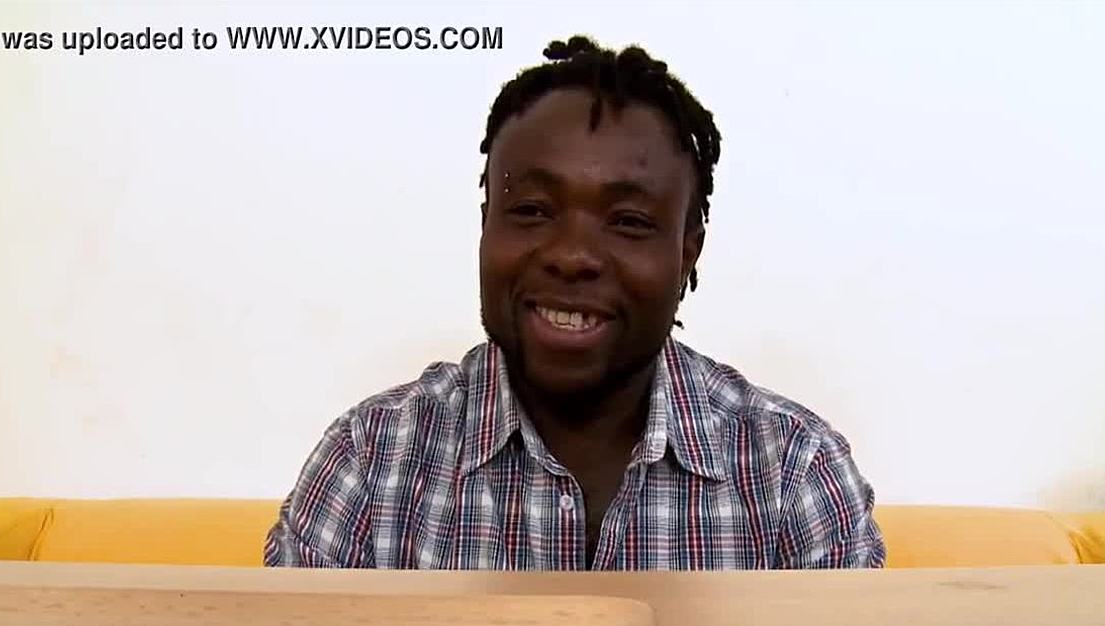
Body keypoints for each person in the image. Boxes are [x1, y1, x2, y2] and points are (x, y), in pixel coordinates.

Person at [264, 35, 886, 570]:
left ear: (687, 252)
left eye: (629, 221)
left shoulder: (793, 474)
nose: (571, 256)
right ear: (486, 225)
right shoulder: (369, 465)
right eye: (532, 210)